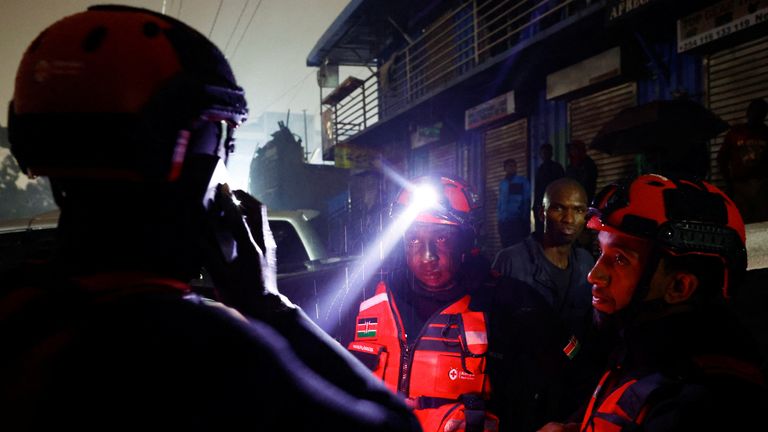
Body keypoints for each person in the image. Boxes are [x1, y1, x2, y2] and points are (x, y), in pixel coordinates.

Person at [0, 6, 419, 431]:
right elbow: (397, 423)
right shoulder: (209, 352)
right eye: (223, 139)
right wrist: (268, 306)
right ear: (183, 152)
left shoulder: (19, 320)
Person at [539, 174, 766, 432]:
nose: (594, 274)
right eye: (601, 252)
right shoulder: (643, 349)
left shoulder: (703, 403)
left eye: (621, 259)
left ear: (679, 287)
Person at [347, 175, 510, 432]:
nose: (427, 256)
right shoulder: (369, 299)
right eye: (413, 239)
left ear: (467, 240)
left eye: (442, 238)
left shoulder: (504, 303)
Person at [492, 178, 608, 430]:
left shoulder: (587, 264)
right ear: (542, 212)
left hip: (570, 394)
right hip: (518, 398)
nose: (569, 218)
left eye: (578, 210)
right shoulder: (511, 261)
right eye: (559, 208)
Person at [717, 97, 768, 223]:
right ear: (748, 113)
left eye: (761, 113)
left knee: (761, 223)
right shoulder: (736, 132)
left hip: (762, 185)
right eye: (754, 112)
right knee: (743, 221)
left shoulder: (766, 133)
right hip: (741, 185)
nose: (756, 116)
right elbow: (722, 158)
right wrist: (729, 182)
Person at [497, 158, 531, 247]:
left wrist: (524, 220)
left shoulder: (522, 181)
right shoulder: (503, 183)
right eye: (509, 166)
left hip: (517, 221)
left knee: (517, 247)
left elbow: (526, 201)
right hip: (504, 222)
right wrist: (499, 220)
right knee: (505, 247)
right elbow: (500, 203)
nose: (512, 168)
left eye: (514, 166)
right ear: (505, 168)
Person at [533, 143, 565, 235]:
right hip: (541, 204)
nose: (544, 155)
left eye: (547, 152)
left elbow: (562, 186)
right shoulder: (540, 169)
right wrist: (536, 205)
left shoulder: (557, 168)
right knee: (541, 230)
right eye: (543, 153)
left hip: (554, 202)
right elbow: (537, 189)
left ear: (551, 153)